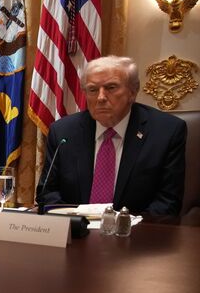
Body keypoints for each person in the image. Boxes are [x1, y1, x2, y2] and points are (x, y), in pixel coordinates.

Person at [38, 55, 186, 216]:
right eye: (93, 90)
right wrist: (73, 223)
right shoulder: (63, 132)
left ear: (132, 92)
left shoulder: (166, 132)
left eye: (111, 87)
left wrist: (123, 229)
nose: (101, 97)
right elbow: (47, 193)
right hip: (75, 233)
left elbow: (168, 202)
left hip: (134, 235)